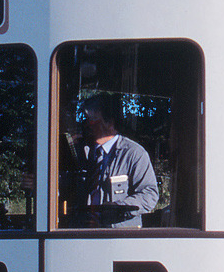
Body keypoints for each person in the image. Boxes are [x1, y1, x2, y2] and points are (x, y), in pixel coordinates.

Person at [68, 94, 159, 228]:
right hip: (84, 234)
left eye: (91, 120)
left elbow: (150, 195)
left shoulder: (133, 153)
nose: (86, 125)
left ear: (110, 122)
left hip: (117, 238)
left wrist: (117, 209)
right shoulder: (82, 152)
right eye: (84, 120)